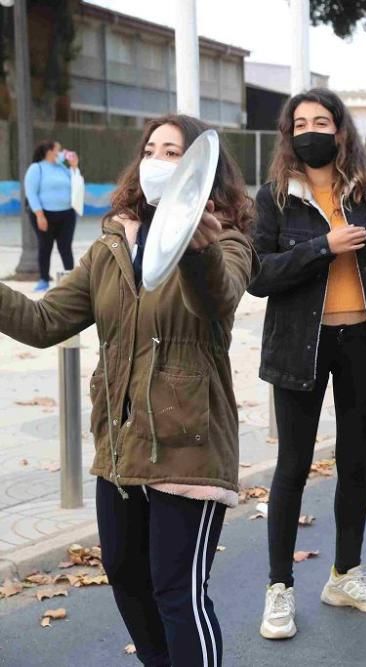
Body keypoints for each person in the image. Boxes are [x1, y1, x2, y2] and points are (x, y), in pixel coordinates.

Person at [0, 114, 258, 666]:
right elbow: (44, 322)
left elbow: (219, 300)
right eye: (151, 149)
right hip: (120, 449)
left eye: (172, 152)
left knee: (176, 592)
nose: (157, 160)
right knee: (127, 579)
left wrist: (197, 250)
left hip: (189, 448)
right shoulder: (109, 248)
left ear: (198, 170)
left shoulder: (227, 241)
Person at [250, 88, 366, 638]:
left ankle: (345, 574)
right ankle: (279, 589)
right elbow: (258, 275)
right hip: (298, 348)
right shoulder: (275, 198)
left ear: (341, 130)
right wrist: (322, 248)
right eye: (300, 121)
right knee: (293, 466)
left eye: (321, 120)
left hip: (365, 346)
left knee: (355, 463)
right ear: (288, 134)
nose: (311, 129)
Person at [24, 140, 82, 291]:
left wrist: (74, 165)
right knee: (45, 246)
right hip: (44, 214)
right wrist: (39, 215)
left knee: (66, 247)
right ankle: (43, 279)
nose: (62, 153)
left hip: (67, 214)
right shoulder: (36, 168)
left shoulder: (63, 168)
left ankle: (70, 280)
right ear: (49, 152)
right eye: (59, 150)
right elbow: (31, 193)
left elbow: (76, 184)